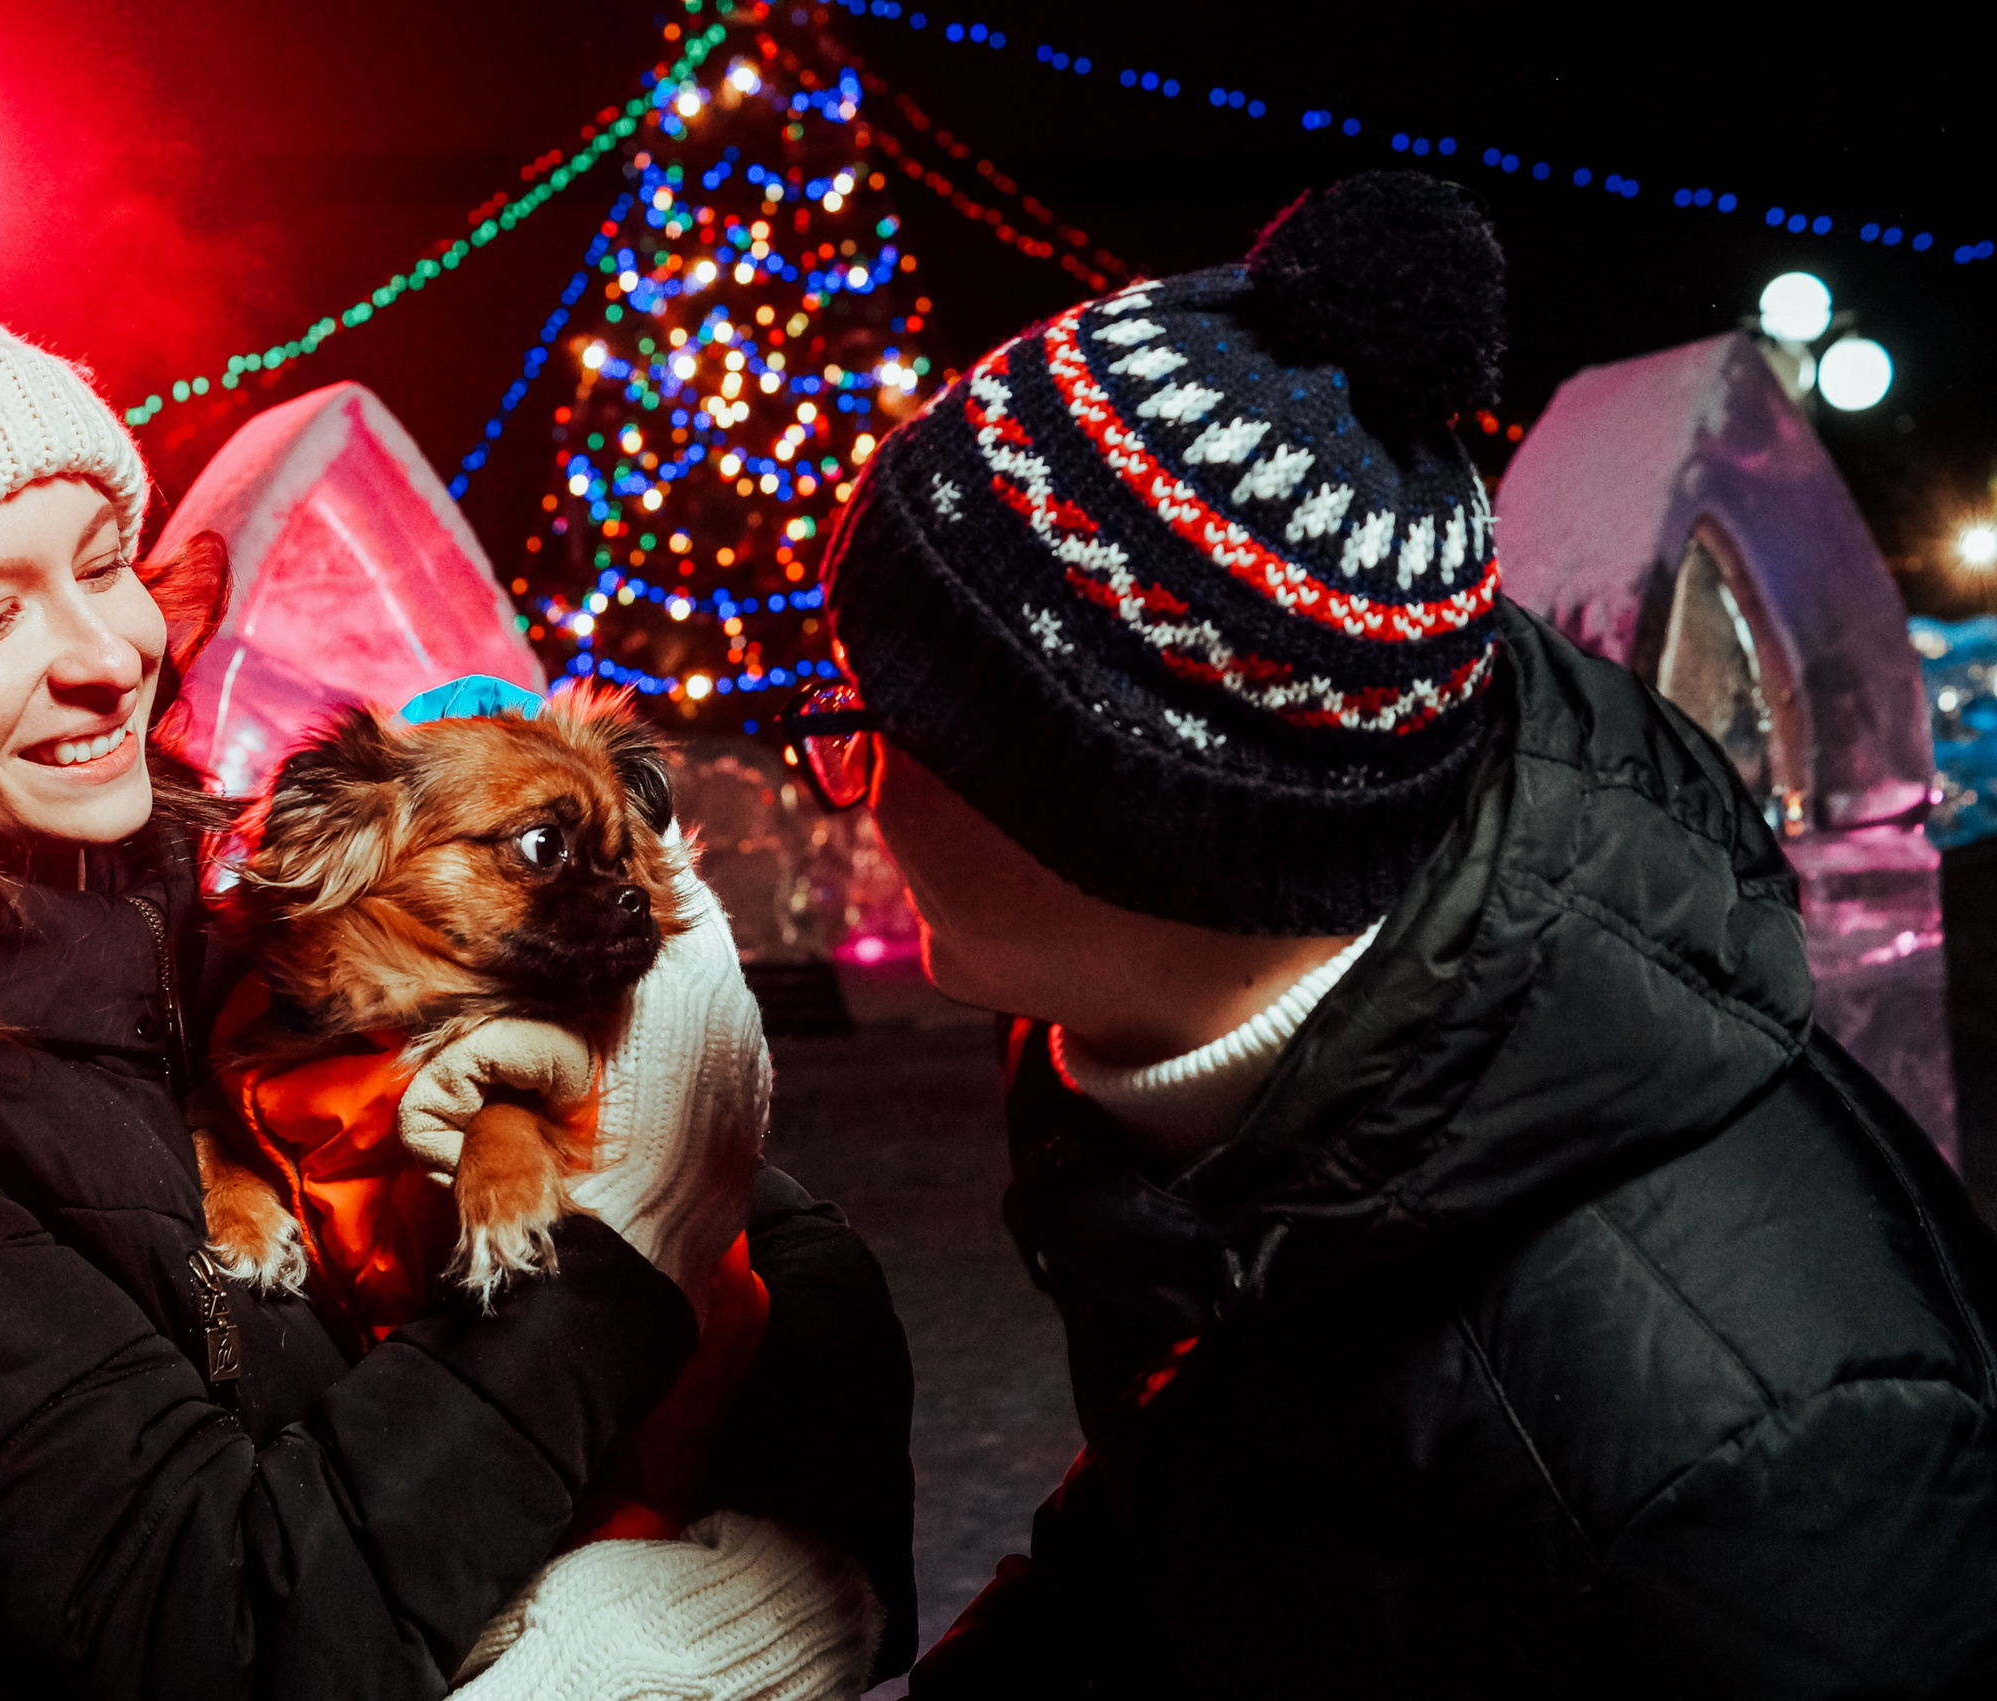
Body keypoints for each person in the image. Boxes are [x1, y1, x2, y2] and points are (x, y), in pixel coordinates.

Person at [0, 177, 914, 1697]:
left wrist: (775, 1585)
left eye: (102, 560)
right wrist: (613, 1264)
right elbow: (229, 1634)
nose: (109, 656)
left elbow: (798, 1252)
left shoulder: (243, 882)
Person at [801, 170, 1997, 1694]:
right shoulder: (1172, 1061)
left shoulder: (1753, 1449)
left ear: (1133, 821)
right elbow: (1197, 1533)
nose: (838, 780)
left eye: (870, 718)